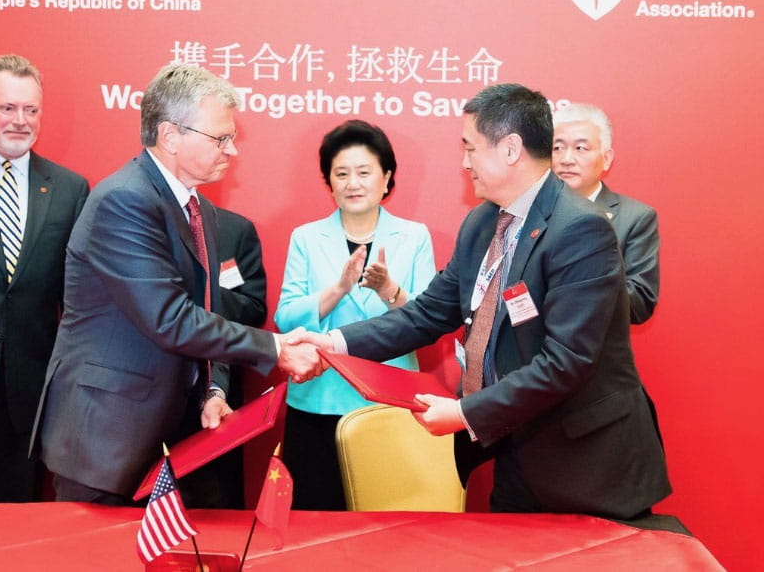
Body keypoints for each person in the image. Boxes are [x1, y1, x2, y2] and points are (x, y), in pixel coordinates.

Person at [295, 84, 670, 519]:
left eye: (470, 148)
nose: (464, 162)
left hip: (586, 461)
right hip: (516, 448)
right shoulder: (482, 221)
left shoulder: (579, 229)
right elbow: (428, 312)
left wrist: (464, 412)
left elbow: (567, 361)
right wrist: (335, 344)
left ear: (511, 149)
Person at [30, 63, 324, 505]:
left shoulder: (195, 207)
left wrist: (214, 388)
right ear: (170, 136)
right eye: (220, 138)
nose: (233, 150)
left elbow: (205, 311)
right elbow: (168, 318)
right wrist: (277, 349)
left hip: (172, 437)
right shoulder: (124, 201)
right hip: (106, 437)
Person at [275, 120, 436, 509]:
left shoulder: (414, 237)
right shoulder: (306, 237)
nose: (353, 183)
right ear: (329, 182)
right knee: (315, 519)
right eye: (341, 174)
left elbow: (429, 318)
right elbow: (285, 316)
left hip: (387, 399)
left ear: (386, 178)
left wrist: (388, 290)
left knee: (386, 520)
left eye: (364, 172)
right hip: (318, 398)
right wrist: (337, 289)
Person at [0, 54, 89, 504]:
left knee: (14, 533)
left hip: (28, 401)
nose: (20, 121)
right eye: (7, 108)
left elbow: (76, 297)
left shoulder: (70, 189)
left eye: (30, 110)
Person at [552, 102, 659, 324]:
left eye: (580, 148)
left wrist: (568, 286)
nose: (566, 159)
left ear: (606, 158)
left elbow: (639, 304)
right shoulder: (529, 213)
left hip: (592, 354)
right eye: (557, 148)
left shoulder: (635, 218)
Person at [199, 205, 269, 508]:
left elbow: (254, 308)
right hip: (146, 394)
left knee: (216, 503)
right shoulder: (140, 218)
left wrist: (201, 293)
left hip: (220, 386)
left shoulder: (233, 228)